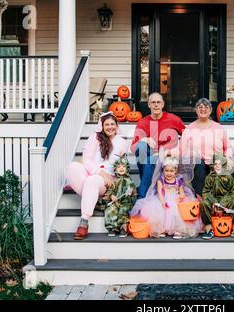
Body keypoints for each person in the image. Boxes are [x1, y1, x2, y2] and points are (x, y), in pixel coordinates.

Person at [67, 112, 129, 240]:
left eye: (112, 124)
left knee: (92, 181)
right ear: (102, 126)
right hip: (93, 172)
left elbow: (123, 165)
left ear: (117, 126)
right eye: (106, 124)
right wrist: (101, 172)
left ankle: (84, 222)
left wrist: (110, 178)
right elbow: (87, 160)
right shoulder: (95, 138)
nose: (110, 127)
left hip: (106, 181)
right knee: (72, 166)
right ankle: (91, 197)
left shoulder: (122, 142)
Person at [179, 98, 234, 198]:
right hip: (199, 165)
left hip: (216, 163)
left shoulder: (218, 127)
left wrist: (227, 158)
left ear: (210, 110)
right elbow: (182, 150)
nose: (203, 109)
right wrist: (192, 154)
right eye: (200, 107)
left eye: (206, 107)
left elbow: (228, 147)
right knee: (198, 165)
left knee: (232, 167)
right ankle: (203, 199)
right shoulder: (190, 129)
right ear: (196, 110)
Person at [129, 155, 202, 239]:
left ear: (176, 171)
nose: (169, 173)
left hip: (175, 198)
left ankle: (177, 230)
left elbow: (181, 192)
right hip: (163, 198)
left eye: (171, 171)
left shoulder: (178, 180)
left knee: (177, 211)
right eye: (166, 171)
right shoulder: (161, 179)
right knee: (159, 211)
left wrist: (181, 197)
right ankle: (161, 229)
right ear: (163, 170)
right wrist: (162, 201)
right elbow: (159, 192)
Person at [131, 92, 185, 199]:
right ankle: (146, 189)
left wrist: (175, 151)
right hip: (151, 156)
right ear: (149, 105)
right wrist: (144, 139)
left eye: (158, 102)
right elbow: (133, 148)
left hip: (169, 156)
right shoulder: (143, 122)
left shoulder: (174, 119)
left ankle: (142, 195)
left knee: (150, 160)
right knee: (142, 147)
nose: (156, 105)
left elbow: (187, 137)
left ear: (163, 104)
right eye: (153, 102)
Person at [200, 153, 234, 240]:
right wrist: (214, 202)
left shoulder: (228, 177)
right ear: (212, 165)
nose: (217, 166)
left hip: (226, 201)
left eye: (220, 164)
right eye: (215, 164)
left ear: (224, 165)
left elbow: (232, 193)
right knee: (203, 203)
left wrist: (222, 204)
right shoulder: (209, 178)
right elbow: (206, 192)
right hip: (213, 202)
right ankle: (209, 227)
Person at [99, 155, 137, 238]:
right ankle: (111, 227)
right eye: (119, 167)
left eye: (123, 166)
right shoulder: (114, 181)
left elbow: (134, 192)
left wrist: (132, 192)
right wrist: (112, 195)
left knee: (123, 210)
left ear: (127, 168)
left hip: (126, 202)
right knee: (110, 209)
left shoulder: (129, 181)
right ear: (115, 169)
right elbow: (110, 190)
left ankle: (123, 227)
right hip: (116, 202)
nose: (121, 168)